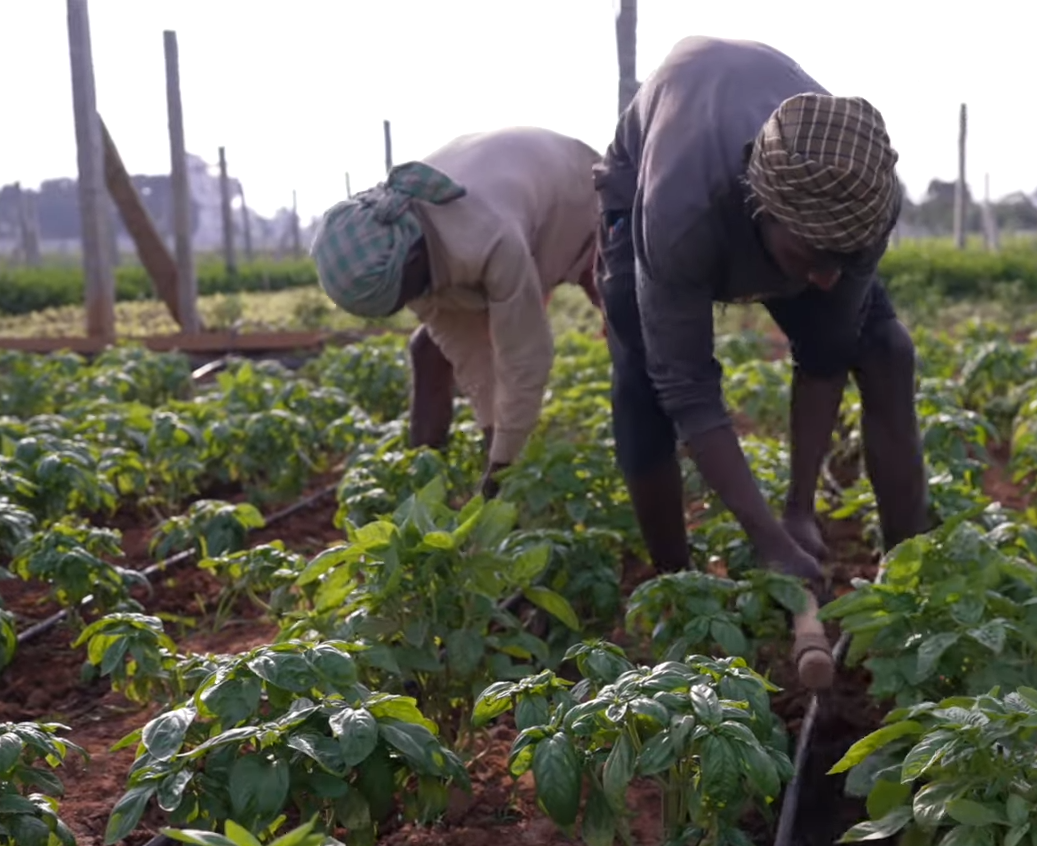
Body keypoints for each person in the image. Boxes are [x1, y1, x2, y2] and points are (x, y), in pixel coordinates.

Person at [593, 37, 930, 591]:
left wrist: (800, 509)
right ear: (759, 209)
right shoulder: (681, 211)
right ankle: (679, 587)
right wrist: (769, 541)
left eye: (842, 261)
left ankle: (911, 586)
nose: (825, 280)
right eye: (810, 258)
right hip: (647, 176)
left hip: (767, 180)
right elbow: (688, 388)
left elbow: (825, 356)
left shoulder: (866, 200)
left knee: (887, 350)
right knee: (642, 383)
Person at [312, 127, 601, 496]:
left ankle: (672, 440)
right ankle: (424, 482)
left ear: (414, 258)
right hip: (516, 193)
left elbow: (525, 359)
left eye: (407, 294)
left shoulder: (489, 235)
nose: (413, 303)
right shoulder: (400, 241)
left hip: (578, 190)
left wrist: (501, 468)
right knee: (426, 350)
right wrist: (493, 433)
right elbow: (470, 353)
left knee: (627, 323)